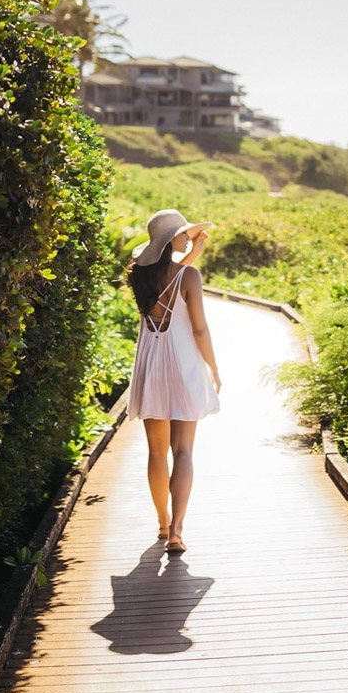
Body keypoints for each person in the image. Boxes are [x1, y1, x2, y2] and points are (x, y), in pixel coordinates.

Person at [125, 209, 223, 554]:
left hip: (151, 364)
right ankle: (178, 532)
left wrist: (193, 251)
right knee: (183, 451)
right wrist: (213, 368)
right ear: (172, 241)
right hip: (183, 365)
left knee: (156, 452)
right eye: (184, 233)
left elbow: (169, 279)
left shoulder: (139, 276)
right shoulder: (189, 277)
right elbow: (199, 329)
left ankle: (163, 523)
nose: (187, 237)